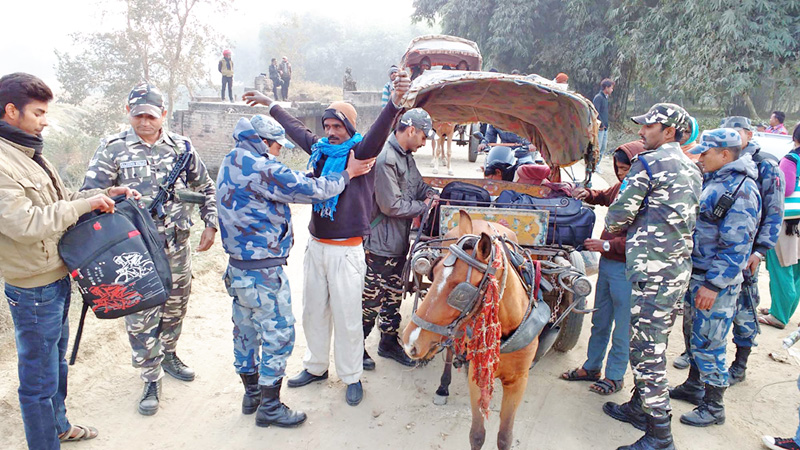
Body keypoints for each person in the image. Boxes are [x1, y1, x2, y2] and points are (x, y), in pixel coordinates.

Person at [241, 70, 411, 406]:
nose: (331, 132)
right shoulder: (318, 152)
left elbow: (378, 133)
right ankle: (316, 367)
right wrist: (271, 104)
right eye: (328, 126)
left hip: (347, 251)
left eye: (338, 126)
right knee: (313, 311)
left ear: (349, 127)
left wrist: (394, 103)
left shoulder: (360, 153)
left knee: (349, 316)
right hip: (316, 247)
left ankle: (351, 376)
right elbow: (296, 130)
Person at [0, 72, 136, 448]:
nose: (45, 120)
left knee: (55, 366)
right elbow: (25, 223)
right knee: (37, 382)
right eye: (39, 112)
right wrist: (84, 204)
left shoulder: (28, 153)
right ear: (12, 111)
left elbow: (57, 203)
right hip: (32, 289)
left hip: (56, 277)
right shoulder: (3, 162)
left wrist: (103, 193)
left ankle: (59, 426)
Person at [217, 114, 374, 427]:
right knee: (278, 334)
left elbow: (282, 178)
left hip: (238, 268)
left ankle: (252, 396)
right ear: (264, 141)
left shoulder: (233, 159)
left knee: (245, 332)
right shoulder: (261, 166)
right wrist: (347, 174)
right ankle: (270, 407)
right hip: (262, 269)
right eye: (276, 146)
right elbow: (310, 189)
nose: (278, 151)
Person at [81, 82, 218, 416]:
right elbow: (87, 194)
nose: (144, 122)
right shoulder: (112, 148)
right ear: (129, 113)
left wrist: (211, 223)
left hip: (176, 245)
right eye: (138, 115)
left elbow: (206, 187)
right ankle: (150, 376)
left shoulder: (182, 148)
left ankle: (169, 353)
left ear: (164, 115)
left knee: (175, 307)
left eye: (151, 116)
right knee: (142, 315)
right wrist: (115, 192)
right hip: (135, 252)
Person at [602, 103, 701, 449]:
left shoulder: (650, 163)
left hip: (654, 273)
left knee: (648, 352)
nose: (641, 132)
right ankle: (638, 408)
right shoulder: (692, 167)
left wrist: (616, 227)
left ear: (669, 132)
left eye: (649, 127)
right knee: (651, 340)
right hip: (675, 271)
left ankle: (660, 434)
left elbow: (617, 217)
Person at [669, 129, 761, 429]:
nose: (700, 156)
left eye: (706, 152)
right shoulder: (715, 180)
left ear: (725, 154)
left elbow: (736, 245)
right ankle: (694, 385)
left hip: (714, 282)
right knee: (694, 334)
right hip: (697, 274)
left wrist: (713, 284)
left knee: (710, 341)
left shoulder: (742, 189)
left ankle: (713, 405)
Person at [560, 141, 646, 396]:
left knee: (622, 326)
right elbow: (606, 195)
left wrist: (605, 245)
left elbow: (641, 240)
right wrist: (588, 194)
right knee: (600, 319)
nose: (621, 174)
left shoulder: (647, 195)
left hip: (626, 268)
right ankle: (592, 366)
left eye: (625, 168)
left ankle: (615, 376)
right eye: (618, 168)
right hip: (608, 266)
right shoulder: (624, 187)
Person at [362, 109, 437, 370]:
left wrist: (431, 193)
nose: (424, 142)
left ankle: (388, 343)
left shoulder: (405, 157)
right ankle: (355, 348)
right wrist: (423, 205)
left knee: (394, 295)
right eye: (424, 136)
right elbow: (391, 205)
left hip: (397, 242)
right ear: (411, 130)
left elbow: (417, 186)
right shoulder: (386, 158)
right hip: (380, 243)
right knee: (371, 299)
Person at [760, 122, 800, 329]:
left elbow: (785, 189)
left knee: (781, 266)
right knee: (797, 269)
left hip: (789, 224)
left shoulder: (792, 159)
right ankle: (784, 308)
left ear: (794, 138)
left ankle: (779, 315)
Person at [593, 78, 615, 161]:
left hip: (605, 128)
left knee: (603, 147)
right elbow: (595, 112)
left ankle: (597, 164)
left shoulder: (605, 98)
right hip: (600, 128)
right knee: (597, 148)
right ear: (606, 87)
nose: (612, 90)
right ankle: (594, 164)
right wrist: (601, 124)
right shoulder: (598, 98)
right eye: (611, 88)